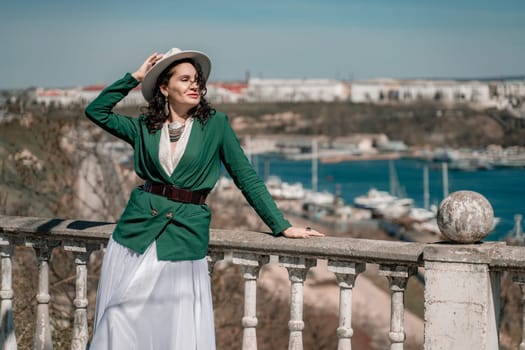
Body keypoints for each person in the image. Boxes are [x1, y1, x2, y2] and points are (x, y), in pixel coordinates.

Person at [85, 47, 324, 349]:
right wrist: (134, 77)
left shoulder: (216, 125)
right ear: (164, 87)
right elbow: (96, 111)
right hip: (136, 235)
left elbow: (245, 176)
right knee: (118, 318)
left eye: (197, 79)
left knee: (169, 330)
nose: (194, 85)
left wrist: (282, 225)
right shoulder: (143, 128)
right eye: (184, 79)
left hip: (184, 238)